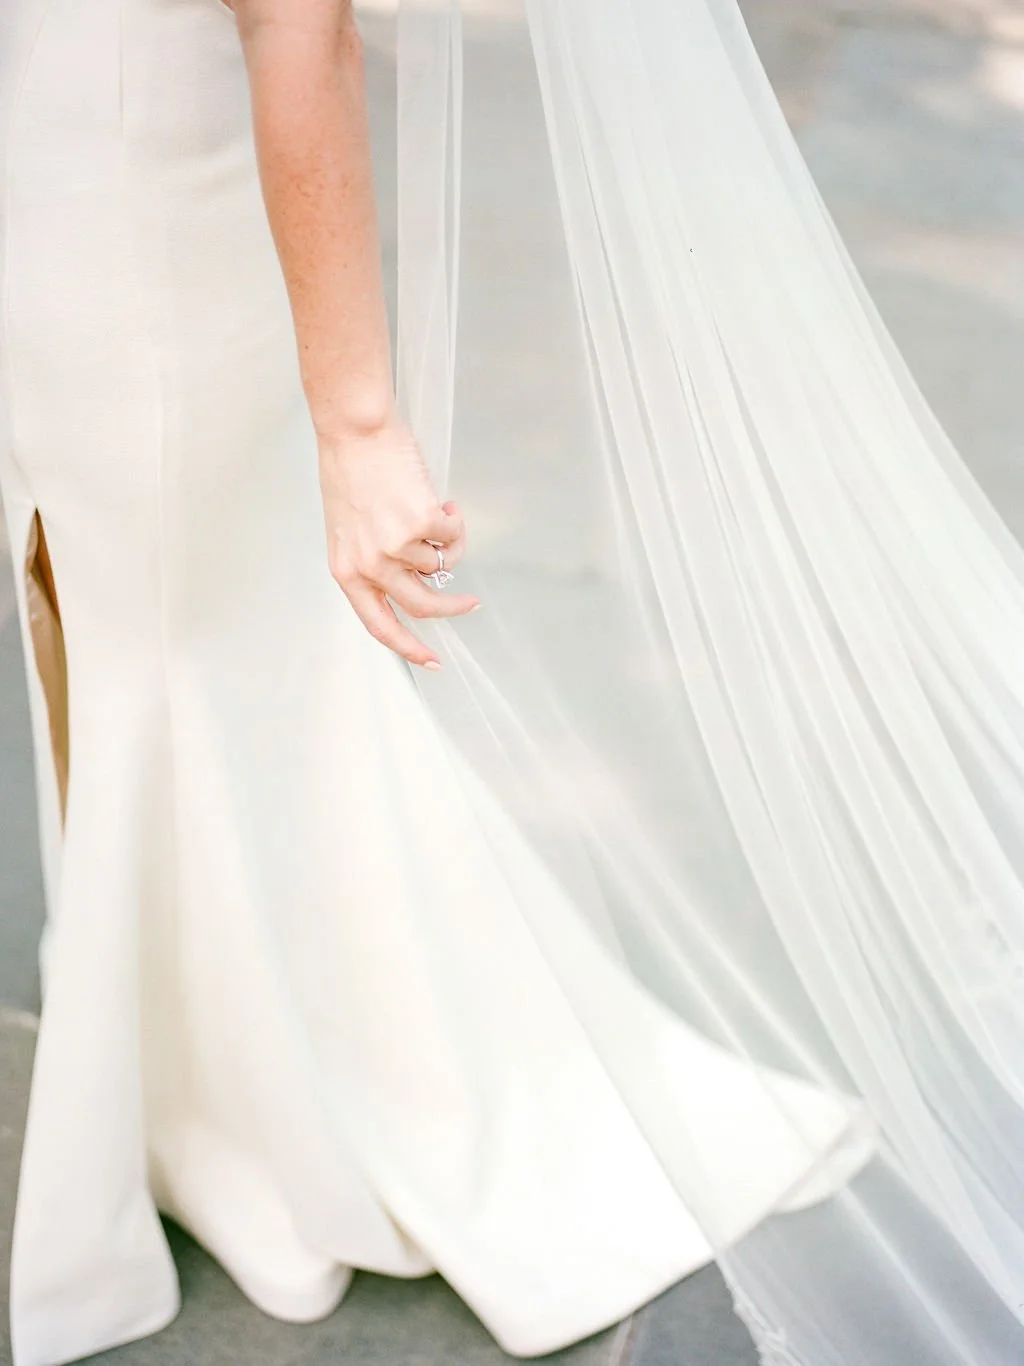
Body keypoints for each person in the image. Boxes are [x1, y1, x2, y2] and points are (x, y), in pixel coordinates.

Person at [3, 2, 1024, 1365]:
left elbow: (302, 28)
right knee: (159, 648)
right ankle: (212, 1082)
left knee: (163, 657)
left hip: (143, 226)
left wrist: (357, 423)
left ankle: (248, 1101)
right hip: (84, 173)